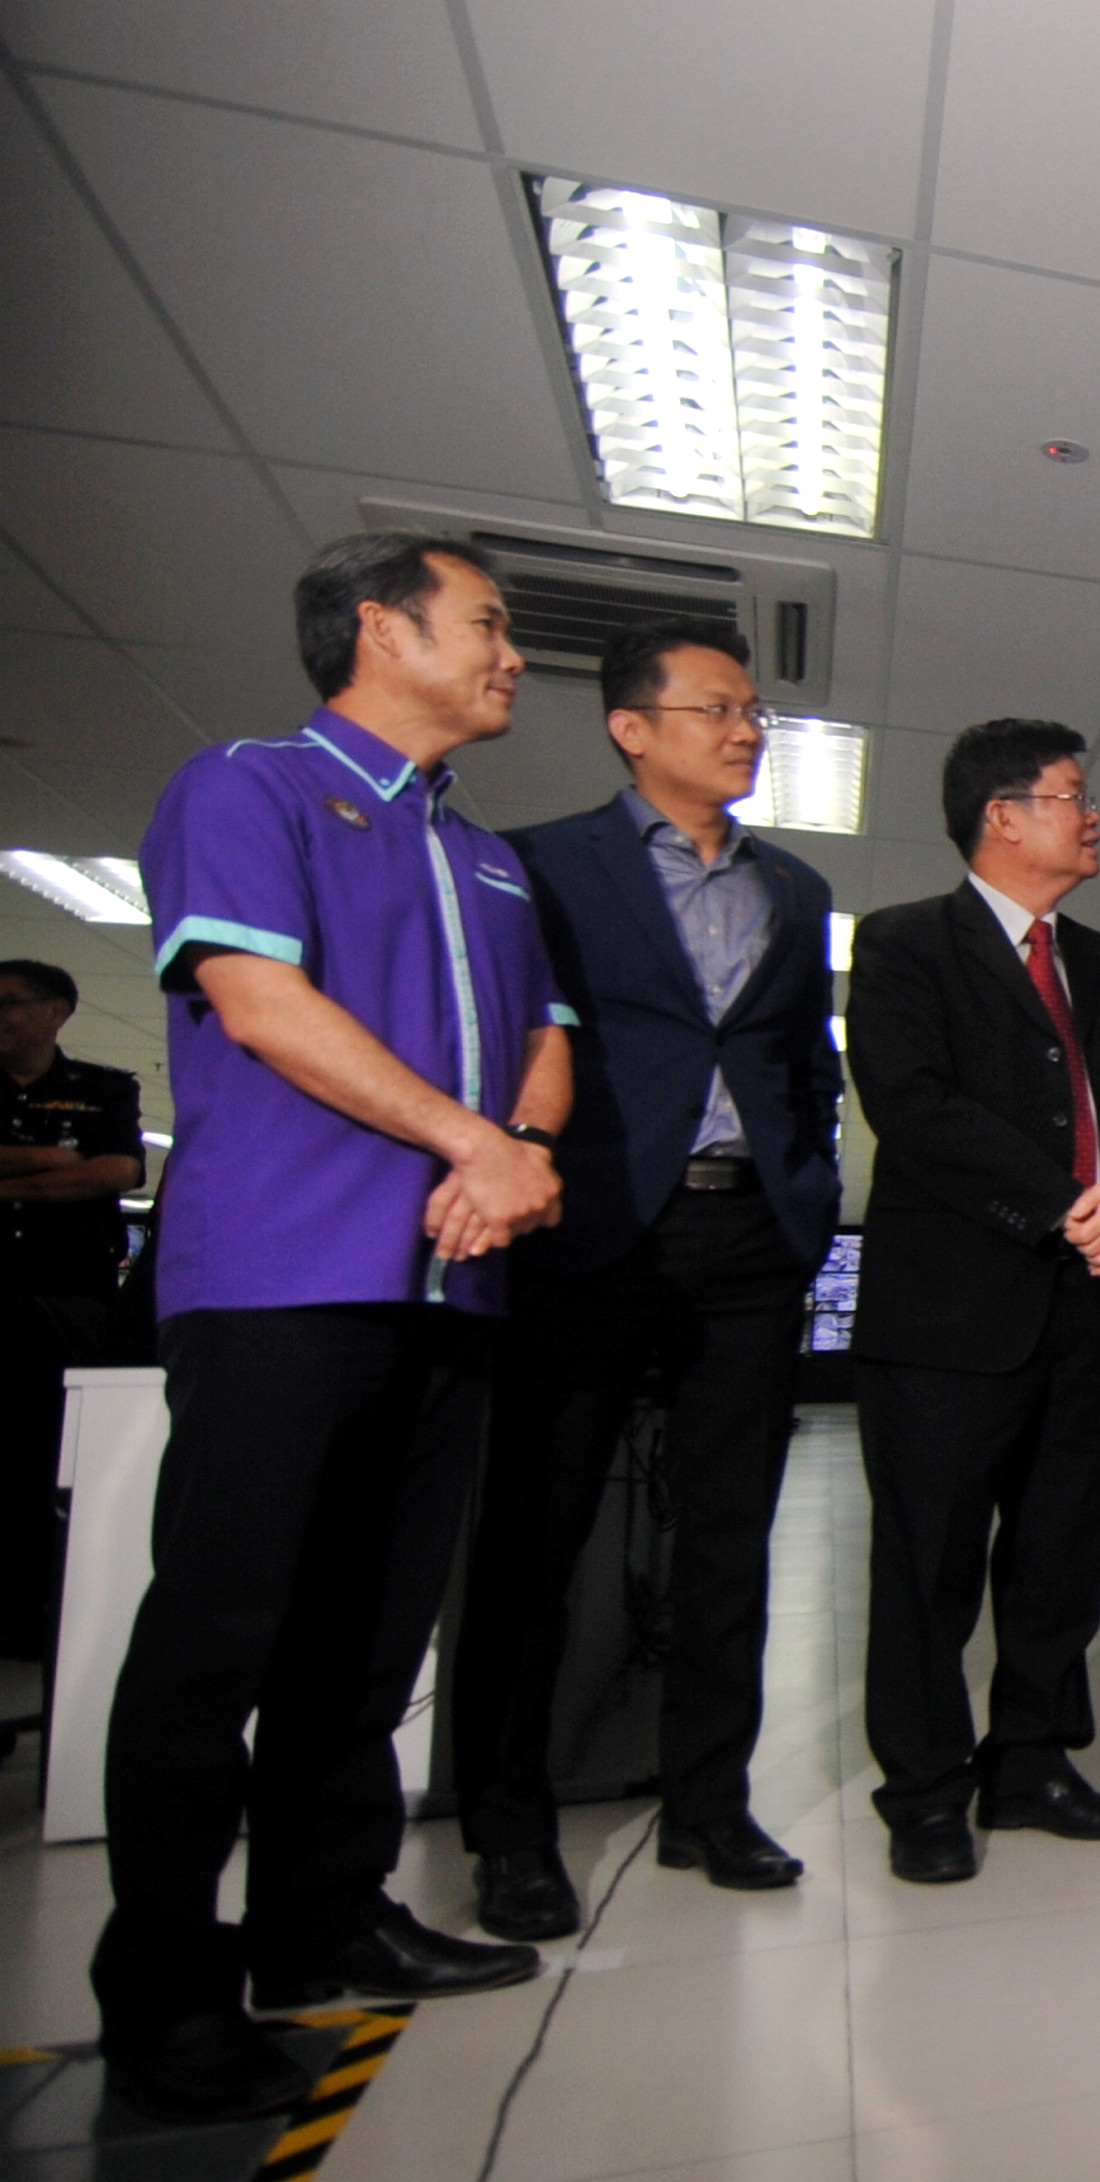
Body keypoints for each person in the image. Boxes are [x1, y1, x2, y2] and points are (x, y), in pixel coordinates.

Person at [99, 532, 571, 2121]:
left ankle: (323, 1918)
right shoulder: (249, 787)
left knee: (366, 1642)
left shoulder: (486, 853)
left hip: (449, 1289)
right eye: (487, 624)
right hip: (283, 1278)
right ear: (381, 629)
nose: (512, 655)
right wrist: (475, 1142)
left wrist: (518, 1152)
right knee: (218, 1635)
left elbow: (547, 1039)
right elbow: (258, 1001)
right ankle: (164, 1987)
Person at [449, 616, 844, 1940]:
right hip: (592, 1229)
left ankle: (708, 1803)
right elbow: (508, 1036)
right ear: (631, 727)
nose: (745, 729)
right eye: (715, 708)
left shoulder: (793, 886)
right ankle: (509, 1829)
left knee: (730, 1536)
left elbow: (799, 1058)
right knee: (538, 1535)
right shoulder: (537, 863)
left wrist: (806, 1197)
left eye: (753, 712)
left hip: (749, 1241)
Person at [847, 720, 1100, 1885]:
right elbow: (912, 1104)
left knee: (1058, 1559)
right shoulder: (903, 944)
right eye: (1070, 795)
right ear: (1001, 815)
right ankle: (924, 1790)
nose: (1091, 816)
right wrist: (1065, 1202)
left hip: (1085, 1310)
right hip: (947, 1316)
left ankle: (1030, 1762)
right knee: (927, 1568)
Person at [0, 958, 144, 1656]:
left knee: (48, 1453)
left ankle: (33, 1616)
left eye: (11, 1002)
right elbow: (90, 1170)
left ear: (57, 1011)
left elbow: (119, 1171)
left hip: (69, 1300)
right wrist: (60, 1163)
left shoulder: (104, 1089)